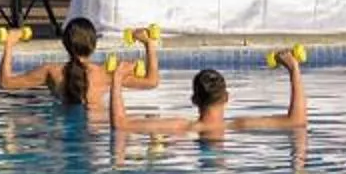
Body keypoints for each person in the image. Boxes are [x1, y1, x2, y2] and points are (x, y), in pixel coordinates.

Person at [108, 46, 309, 138]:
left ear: (194, 100)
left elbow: (120, 124)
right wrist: (294, 69)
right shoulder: (241, 125)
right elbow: (297, 121)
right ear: (227, 97)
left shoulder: (181, 128)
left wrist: (117, 78)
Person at [0, 15, 159, 110]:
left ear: (65, 44)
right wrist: (148, 43)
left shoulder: (51, 71)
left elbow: (6, 82)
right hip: (98, 128)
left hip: (63, 130)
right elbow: (151, 82)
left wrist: (9, 44)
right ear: (94, 45)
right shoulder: (106, 73)